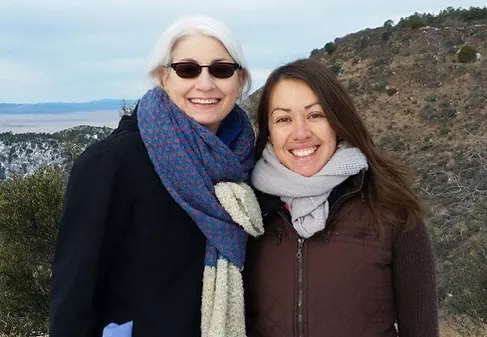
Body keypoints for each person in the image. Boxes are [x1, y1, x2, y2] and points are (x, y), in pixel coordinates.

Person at [50, 14, 263, 337]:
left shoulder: (245, 166)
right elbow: (72, 300)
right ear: (165, 77)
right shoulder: (112, 163)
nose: (205, 84)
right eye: (187, 69)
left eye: (221, 70)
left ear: (240, 80)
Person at [245, 58, 439, 337]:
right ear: (269, 132)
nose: (301, 133)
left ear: (337, 120)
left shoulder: (391, 207)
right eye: (284, 119)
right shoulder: (249, 213)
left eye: (315, 115)